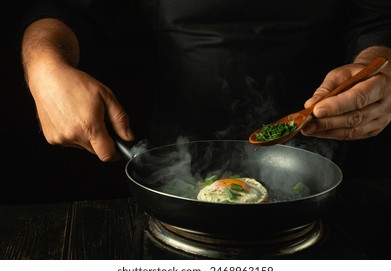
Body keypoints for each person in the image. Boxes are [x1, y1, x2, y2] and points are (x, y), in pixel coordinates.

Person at [20, 0, 391, 162]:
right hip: (175, 154)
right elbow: (64, 8)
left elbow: (377, 19)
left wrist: (380, 67)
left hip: (340, 160)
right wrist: (44, 66)